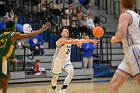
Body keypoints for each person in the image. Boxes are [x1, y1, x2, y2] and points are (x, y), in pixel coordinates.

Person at [0, 21, 50, 93]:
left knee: (5, 79)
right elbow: (28, 36)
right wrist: (42, 30)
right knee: (5, 79)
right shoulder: (14, 34)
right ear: (14, 28)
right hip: (3, 59)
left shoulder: (1, 36)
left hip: (3, 58)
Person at [51, 26, 99, 93]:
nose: (67, 32)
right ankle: (54, 88)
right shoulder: (60, 40)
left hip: (66, 61)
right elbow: (72, 41)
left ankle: (63, 89)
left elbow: (81, 40)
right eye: (65, 31)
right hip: (57, 61)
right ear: (61, 33)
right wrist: (78, 41)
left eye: (68, 31)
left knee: (71, 72)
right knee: (54, 79)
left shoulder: (70, 39)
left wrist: (92, 41)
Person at [108, 0, 140, 93]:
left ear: (121, 5)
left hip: (134, 51)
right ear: (133, 4)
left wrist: (113, 39)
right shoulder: (137, 15)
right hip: (129, 55)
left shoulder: (125, 15)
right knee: (113, 85)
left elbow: (121, 34)